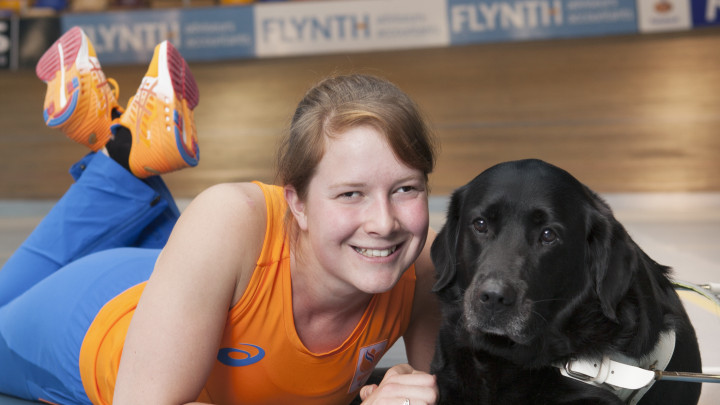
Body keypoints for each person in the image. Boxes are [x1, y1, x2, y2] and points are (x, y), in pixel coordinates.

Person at [0, 26, 441, 405]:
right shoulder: (234, 216)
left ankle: (124, 148)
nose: (385, 223)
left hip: (191, 285)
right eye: (350, 194)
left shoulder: (425, 267)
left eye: (405, 189)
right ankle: (120, 154)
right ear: (297, 203)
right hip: (87, 317)